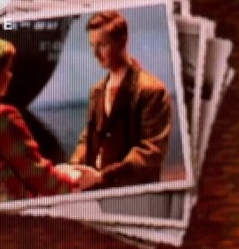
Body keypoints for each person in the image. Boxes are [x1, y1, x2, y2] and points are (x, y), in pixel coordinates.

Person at [0, 33, 96, 208]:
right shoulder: (1, 117)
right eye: (4, 70)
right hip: (7, 215)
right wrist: (75, 183)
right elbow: (37, 175)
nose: (10, 75)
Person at [69, 10, 172, 189]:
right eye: (92, 45)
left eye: (102, 45)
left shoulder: (152, 90)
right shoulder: (97, 91)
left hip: (133, 191)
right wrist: (72, 169)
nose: (95, 54)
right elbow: (88, 139)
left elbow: (150, 152)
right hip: (97, 188)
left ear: (122, 40)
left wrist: (103, 177)